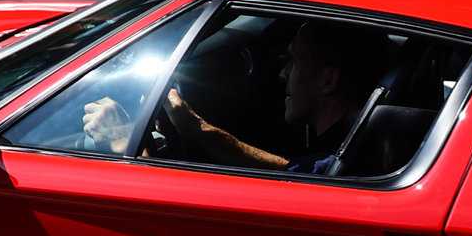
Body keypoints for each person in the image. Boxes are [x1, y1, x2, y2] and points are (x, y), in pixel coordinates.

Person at [161, 19, 391, 174]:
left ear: (328, 81)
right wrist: (199, 129)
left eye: (295, 62)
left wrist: (137, 150)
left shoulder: (332, 167)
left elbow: (296, 174)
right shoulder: (363, 147)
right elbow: (291, 170)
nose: (283, 73)